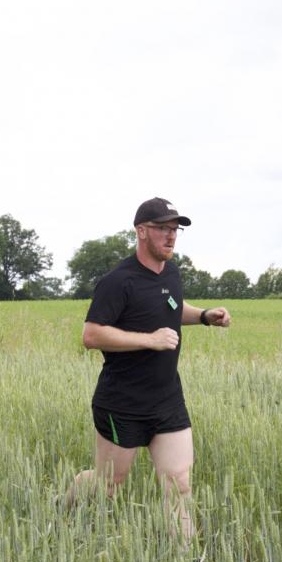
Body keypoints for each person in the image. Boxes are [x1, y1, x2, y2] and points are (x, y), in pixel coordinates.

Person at [65, 196, 231, 541]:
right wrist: (149, 340)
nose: (170, 236)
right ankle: (64, 507)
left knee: (179, 484)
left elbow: (171, 306)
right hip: (122, 402)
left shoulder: (171, 273)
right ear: (141, 231)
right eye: (162, 228)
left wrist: (203, 316)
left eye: (175, 230)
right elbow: (91, 335)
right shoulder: (118, 281)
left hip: (167, 400)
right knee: (108, 484)